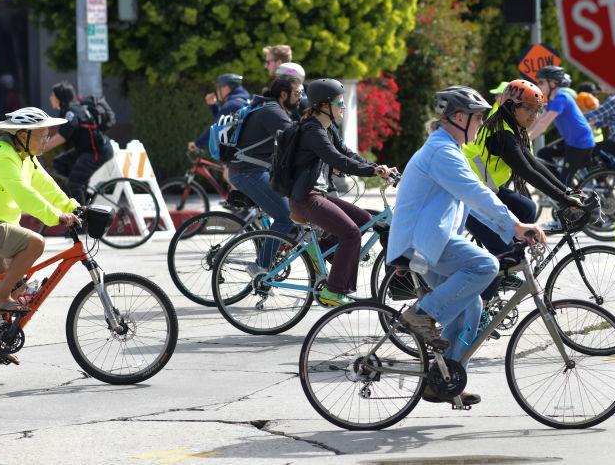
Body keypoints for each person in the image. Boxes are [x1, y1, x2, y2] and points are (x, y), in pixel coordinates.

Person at [388, 85, 546, 407]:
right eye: (477, 118)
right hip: (423, 243)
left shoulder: (450, 149)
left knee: (471, 307)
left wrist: (511, 230)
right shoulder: (442, 153)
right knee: (486, 266)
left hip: (430, 241)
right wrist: (516, 225)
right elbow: (477, 193)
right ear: (459, 118)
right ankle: (420, 314)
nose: (481, 124)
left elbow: (471, 203)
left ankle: (444, 382)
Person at [462, 80, 581, 299]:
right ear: (511, 106)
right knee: (504, 253)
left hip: (486, 191)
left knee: (527, 208)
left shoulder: (511, 127)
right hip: (467, 197)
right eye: (529, 109)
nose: (534, 116)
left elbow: (534, 164)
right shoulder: (500, 134)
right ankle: (483, 306)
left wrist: (566, 192)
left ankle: (506, 271)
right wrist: (564, 199)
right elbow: (526, 171)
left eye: (537, 111)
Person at [0, 107, 80, 313]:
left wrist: (73, 207)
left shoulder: (25, 156)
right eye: (42, 137)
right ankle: (1, 298)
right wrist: (56, 216)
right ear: (23, 136)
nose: (46, 141)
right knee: (35, 244)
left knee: (17, 289)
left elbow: (47, 186)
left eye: (47, 136)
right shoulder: (3, 156)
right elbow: (23, 193)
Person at [288, 78, 393, 306]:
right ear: (324, 105)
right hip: (306, 197)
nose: (344, 107)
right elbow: (337, 160)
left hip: (317, 194)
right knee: (351, 233)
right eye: (340, 103)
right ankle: (333, 291)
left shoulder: (328, 128)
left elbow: (347, 154)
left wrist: (377, 167)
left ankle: (320, 253)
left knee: (364, 219)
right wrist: (371, 171)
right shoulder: (312, 131)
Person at [227, 77, 301, 274]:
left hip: (254, 170)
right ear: (284, 94)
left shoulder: (269, 108)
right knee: (285, 217)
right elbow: (296, 140)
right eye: (298, 93)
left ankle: (275, 249)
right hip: (248, 173)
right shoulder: (272, 111)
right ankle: (261, 266)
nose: (301, 98)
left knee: (294, 208)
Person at [46, 81, 114, 205]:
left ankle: (82, 215)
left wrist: (42, 148)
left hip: (96, 151)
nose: (50, 98)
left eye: (53, 95)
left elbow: (63, 136)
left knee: (74, 184)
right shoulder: (71, 109)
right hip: (86, 150)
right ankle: (84, 194)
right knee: (59, 163)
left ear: (60, 98)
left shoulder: (71, 112)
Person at [528, 66, 596, 185]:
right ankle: (559, 184)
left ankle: (564, 188)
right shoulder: (553, 99)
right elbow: (539, 118)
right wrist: (522, 132)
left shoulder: (561, 98)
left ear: (553, 83)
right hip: (571, 141)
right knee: (543, 154)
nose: (538, 86)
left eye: (541, 82)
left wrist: (527, 139)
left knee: (565, 182)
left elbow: (543, 124)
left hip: (580, 143)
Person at [189, 74, 251, 152]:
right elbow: (224, 121)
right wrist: (213, 106)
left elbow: (216, 129)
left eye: (218, 87)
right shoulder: (245, 100)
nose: (217, 91)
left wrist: (197, 144)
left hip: (243, 154)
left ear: (226, 87)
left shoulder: (233, 104)